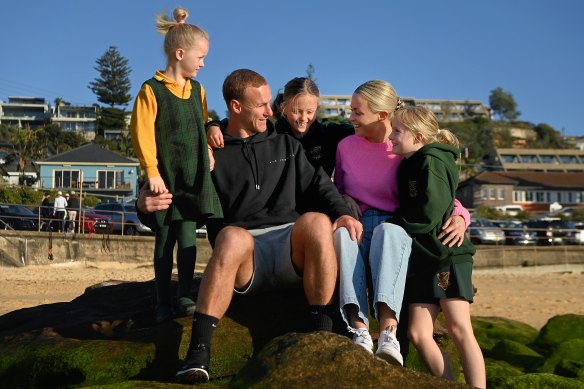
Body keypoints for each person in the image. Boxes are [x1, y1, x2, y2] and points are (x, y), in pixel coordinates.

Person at [137, 69, 362, 384]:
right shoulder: (208, 154)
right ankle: (198, 353)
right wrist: (144, 207)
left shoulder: (285, 145)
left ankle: (320, 332)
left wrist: (343, 212)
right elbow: (178, 202)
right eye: (263, 105)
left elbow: (320, 185)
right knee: (230, 236)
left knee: (316, 222)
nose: (271, 112)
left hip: (290, 251)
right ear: (236, 107)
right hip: (245, 258)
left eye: (271, 103)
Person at [333, 80, 470, 366]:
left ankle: (388, 333)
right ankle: (358, 329)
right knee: (342, 236)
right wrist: (343, 198)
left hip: (397, 227)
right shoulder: (345, 146)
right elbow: (340, 188)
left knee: (389, 233)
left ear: (381, 115)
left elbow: (437, 193)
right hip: (359, 224)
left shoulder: (404, 146)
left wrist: (461, 216)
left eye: (357, 112)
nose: (350, 117)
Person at [130, 7, 223, 322]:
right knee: (164, 239)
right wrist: (152, 173)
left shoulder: (198, 90)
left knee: (187, 238)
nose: (203, 62)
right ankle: (161, 300)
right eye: (200, 56)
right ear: (180, 53)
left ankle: (184, 296)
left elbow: (201, 122)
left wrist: (208, 148)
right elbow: (141, 133)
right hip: (165, 176)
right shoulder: (151, 90)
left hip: (192, 175)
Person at [389, 106, 485, 388]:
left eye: (397, 131)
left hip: (446, 255)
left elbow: (431, 212)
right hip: (422, 259)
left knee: (459, 329)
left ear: (418, 136)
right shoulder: (409, 163)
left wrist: (395, 225)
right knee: (418, 334)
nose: (391, 136)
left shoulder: (432, 161)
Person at [207, 77, 354, 178]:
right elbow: (241, 123)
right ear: (283, 107)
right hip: (284, 210)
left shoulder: (330, 134)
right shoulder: (272, 134)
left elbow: (361, 127)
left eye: (310, 112)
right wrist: (213, 125)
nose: (303, 118)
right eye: (296, 111)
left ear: (317, 108)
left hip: (319, 206)